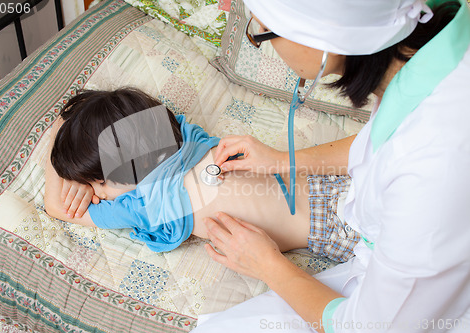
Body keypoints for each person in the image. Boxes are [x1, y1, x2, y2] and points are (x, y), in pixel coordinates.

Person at [192, 0, 470, 332]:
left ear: (321, 38)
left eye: (262, 31)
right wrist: (284, 160)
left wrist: (266, 264)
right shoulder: (434, 58)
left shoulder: (434, 165)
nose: (262, 41)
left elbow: (371, 328)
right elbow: (385, 143)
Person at [44, 88, 359, 255]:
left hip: (337, 227)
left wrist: (57, 134)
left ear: (123, 167)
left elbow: (57, 207)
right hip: (334, 175)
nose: (98, 195)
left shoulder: (146, 205)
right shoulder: (186, 137)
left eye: (98, 184)